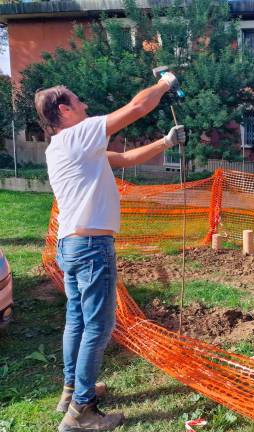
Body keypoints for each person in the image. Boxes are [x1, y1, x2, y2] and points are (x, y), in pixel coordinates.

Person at [34, 72, 185, 432]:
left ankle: (72, 392)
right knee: (100, 325)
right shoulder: (77, 135)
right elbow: (136, 106)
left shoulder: (64, 146)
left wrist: (165, 142)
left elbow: (122, 159)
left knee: (78, 321)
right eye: (78, 99)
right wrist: (166, 83)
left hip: (71, 245)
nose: (85, 105)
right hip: (90, 247)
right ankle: (82, 411)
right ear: (63, 108)